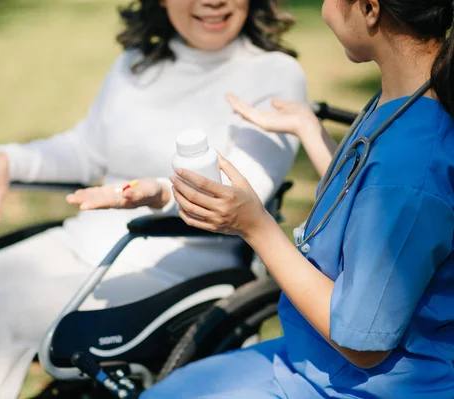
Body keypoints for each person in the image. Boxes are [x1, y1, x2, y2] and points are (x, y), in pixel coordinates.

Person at [0, 1, 307, 398]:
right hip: (82, 242)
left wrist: (159, 192)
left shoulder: (274, 74)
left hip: (176, 261)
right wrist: (8, 160)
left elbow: (244, 187)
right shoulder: (139, 62)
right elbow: (86, 149)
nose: (212, 1)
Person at [141, 0, 454, 398]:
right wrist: (309, 128)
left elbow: (362, 344)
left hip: (368, 384)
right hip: (314, 357)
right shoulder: (407, 101)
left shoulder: (414, 164)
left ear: (371, 8)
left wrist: (255, 227)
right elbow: (372, 209)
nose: (323, 11)